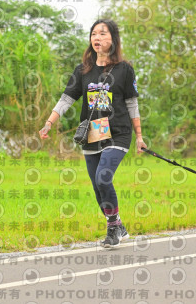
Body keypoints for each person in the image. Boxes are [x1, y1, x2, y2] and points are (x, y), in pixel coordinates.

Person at [39, 19, 145, 247]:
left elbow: (132, 104)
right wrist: (49, 122)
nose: (97, 38)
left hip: (118, 133)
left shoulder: (125, 69)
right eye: (94, 33)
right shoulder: (83, 70)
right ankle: (117, 224)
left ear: (113, 39)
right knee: (98, 187)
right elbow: (66, 99)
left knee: (103, 177)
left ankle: (113, 230)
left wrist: (139, 136)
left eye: (103, 33)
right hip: (92, 134)